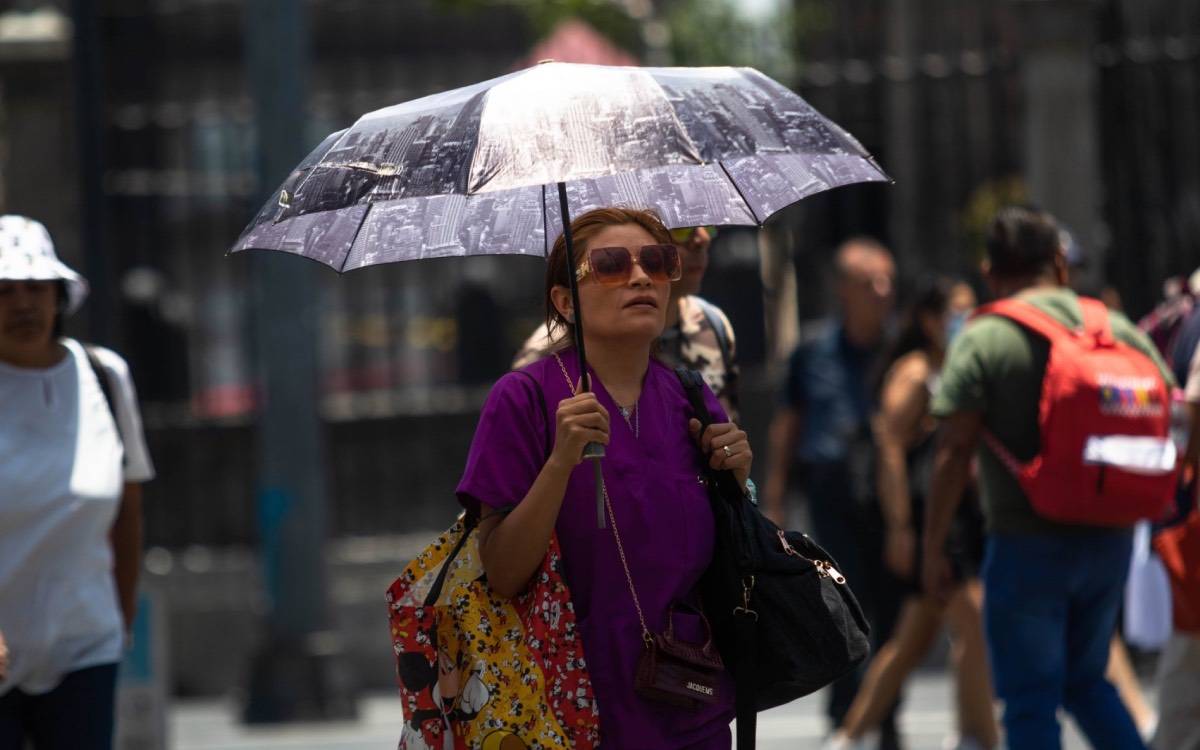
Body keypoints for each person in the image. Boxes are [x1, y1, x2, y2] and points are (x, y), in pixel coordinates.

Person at [458, 207, 753, 748]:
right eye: (612, 265)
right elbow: (501, 571)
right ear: (565, 301)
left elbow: (727, 554)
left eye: (659, 262)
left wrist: (740, 478)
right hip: (563, 704)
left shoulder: (690, 396)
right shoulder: (522, 399)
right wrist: (560, 460)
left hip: (689, 697)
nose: (641, 277)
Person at [922, 205, 1172, 750]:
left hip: (1026, 542)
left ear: (990, 271)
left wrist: (932, 544)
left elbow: (954, 446)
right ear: (1060, 263)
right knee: (1088, 682)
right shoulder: (1116, 327)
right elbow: (1171, 406)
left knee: (1030, 698)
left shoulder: (984, 336)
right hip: (1110, 535)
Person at [0, 216, 155, 749]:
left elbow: (128, 510)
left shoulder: (105, 375)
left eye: (36, 288)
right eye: (5, 290)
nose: (23, 304)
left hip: (85, 642)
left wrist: (121, 619)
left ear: (59, 296)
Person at [829, 278, 997, 750]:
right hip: (933, 521)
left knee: (913, 640)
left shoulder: (957, 364)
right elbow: (889, 445)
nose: (966, 320)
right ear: (929, 320)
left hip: (958, 516)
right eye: (956, 311)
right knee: (973, 623)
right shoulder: (917, 370)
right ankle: (980, 737)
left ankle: (850, 736)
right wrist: (903, 527)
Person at [762, 237, 903, 747]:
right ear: (845, 290)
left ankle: (883, 713)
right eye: (870, 283)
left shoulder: (899, 349)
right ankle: (844, 714)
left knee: (890, 606)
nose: (883, 292)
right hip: (831, 494)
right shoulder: (813, 350)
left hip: (889, 498)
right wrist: (774, 499)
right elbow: (788, 425)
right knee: (840, 600)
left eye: (888, 281)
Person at [513, 224, 740, 419]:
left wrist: (728, 462)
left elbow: (728, 431)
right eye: (680, 229)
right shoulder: (544, 358)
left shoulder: (712, 324)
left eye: (707, 225)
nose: (702, 238)